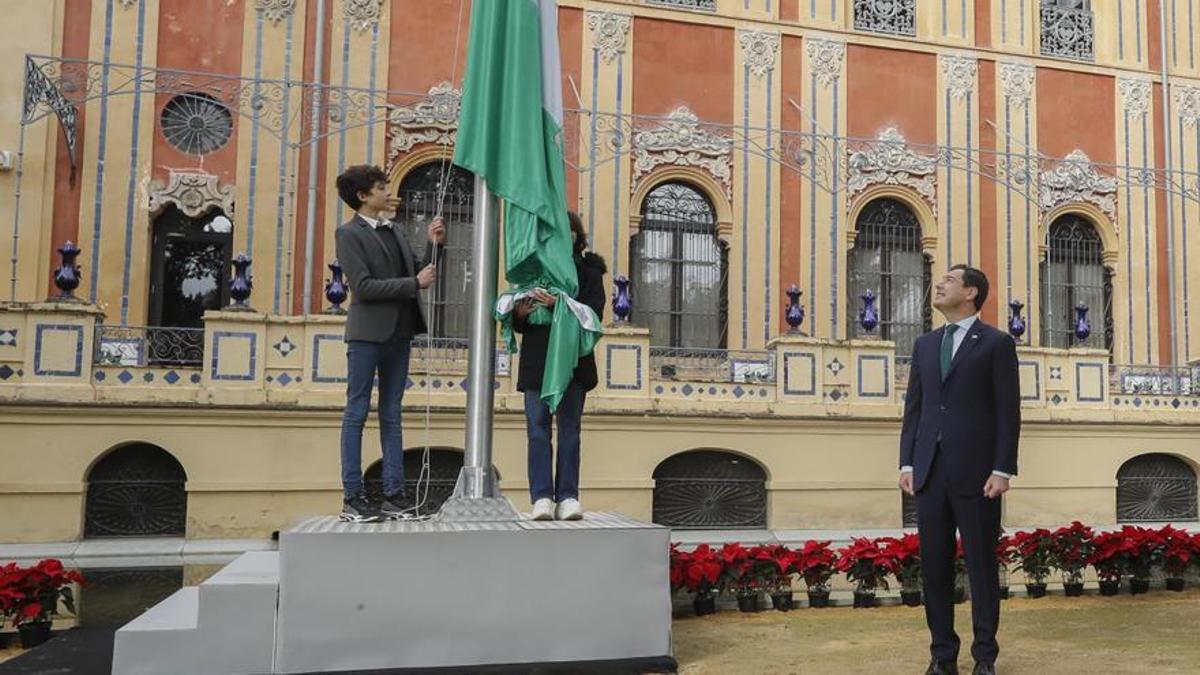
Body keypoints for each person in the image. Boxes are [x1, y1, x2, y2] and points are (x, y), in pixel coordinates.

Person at [899, 264, 1020, 675]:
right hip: (930, 475)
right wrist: (907, 462)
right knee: (934, 568)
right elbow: (914, 409)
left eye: (949, 280)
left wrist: (1003, 468)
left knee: (982, 569)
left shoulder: (996, 344)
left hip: (978, 476)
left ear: (970, 292)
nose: (939, 284)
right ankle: (941, 657)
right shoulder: (925, 345)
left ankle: (984, 658)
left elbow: (1008, 412)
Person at [333, 164, 444, 522]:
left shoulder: (394, 230)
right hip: (367, 335)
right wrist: (414, 284)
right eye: (382, 187)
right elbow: (363, 288)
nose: (387, 191)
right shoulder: (348, 234)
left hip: (400, 333)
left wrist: (432, 243)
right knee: (356, 413)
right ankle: (353, 497)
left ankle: (394, 496)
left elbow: (418, 271)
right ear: (363, 196)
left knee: (392, 415)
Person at [513, 212, 606, 520]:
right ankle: (541, 497)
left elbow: (594, 316)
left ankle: (568, 496)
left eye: (567, 232)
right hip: (537, 361)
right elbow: (519, 324)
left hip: (573, 364)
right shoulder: (536, 270)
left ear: (578, 237)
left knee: (570, 431)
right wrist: (522, 313)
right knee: (537, 429)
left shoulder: (590, 274)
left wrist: (560, 305)